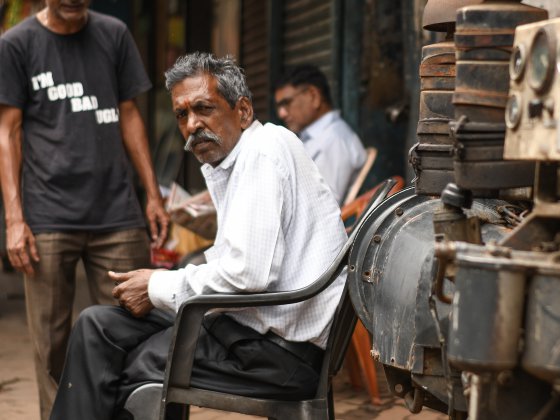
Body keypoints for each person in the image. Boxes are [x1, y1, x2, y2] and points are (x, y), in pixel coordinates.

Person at [49, 52, 347, 419]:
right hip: (248, 325)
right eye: (182, 114)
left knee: (136, 367)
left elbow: (248, 275)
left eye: (204, 108)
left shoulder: (263, 154)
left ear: (242, 111)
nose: (192, 124)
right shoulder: (238, 158)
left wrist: (157, 285)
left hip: (278, 352)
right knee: (98, 327)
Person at [0, 1, 169, 418]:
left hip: (118, 212)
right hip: (48, 215)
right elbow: (8, 131)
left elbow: (130, 115)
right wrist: (15, 219)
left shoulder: (114, 34)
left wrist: (152, 193)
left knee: (133, 327)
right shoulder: (16, 44)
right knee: (52, 344)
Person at [274, 64, 367, 204]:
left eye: (286, 103)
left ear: (314, 96)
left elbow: (323, 206)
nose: (281, 113)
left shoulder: (334, 139)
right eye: (279, 106)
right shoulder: (316, 137)